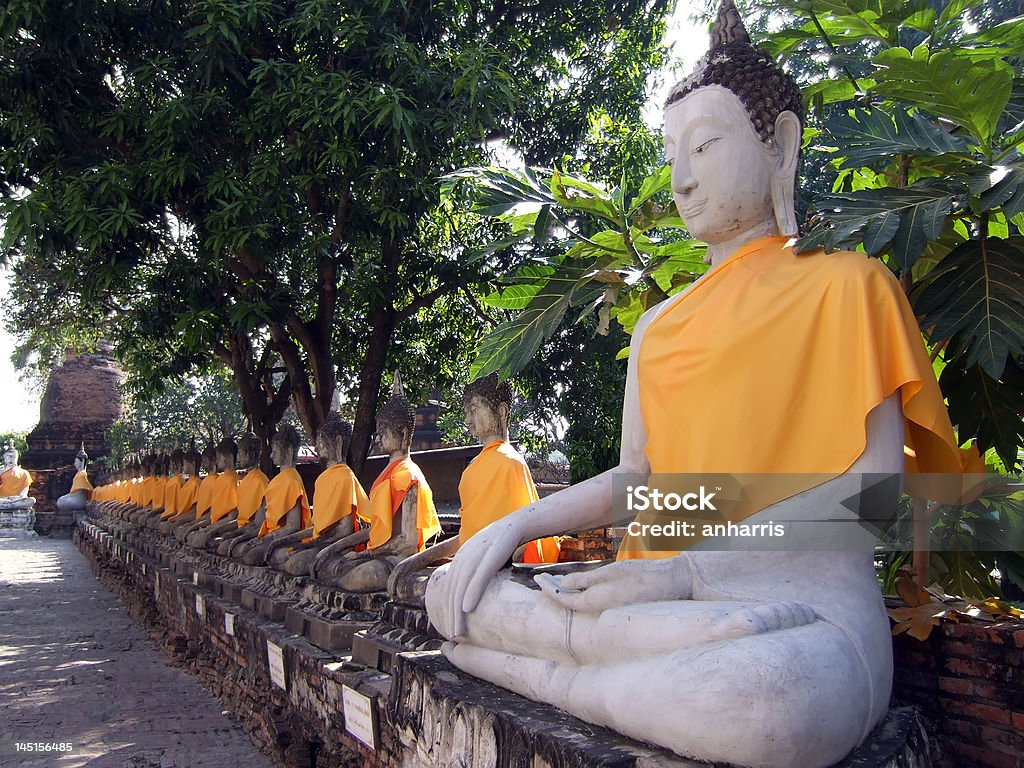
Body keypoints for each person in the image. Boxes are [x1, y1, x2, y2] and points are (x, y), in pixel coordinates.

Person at [424, 3, 975, 766]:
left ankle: (557, 672)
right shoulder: (659, 327)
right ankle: (590, 655)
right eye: (673, 151)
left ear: (779, 143)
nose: (682, 179)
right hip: (655, 610)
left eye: (707, 146)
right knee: (452, 592)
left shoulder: (851, 288)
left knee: (772, 701)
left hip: (803, 609)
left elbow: (874, 495)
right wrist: (515, 527)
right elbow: (637, 483)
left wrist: (693, 570)